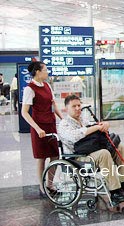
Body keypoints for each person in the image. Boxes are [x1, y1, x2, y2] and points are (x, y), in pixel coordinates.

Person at [57, 94, 124, 204]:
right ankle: (115, 192)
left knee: (120, 147)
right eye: (74, 106)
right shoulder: (63, 124)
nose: (77, 108)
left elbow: (96, 126)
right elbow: (74, 136)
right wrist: (95, 127)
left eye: (79, 105)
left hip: (91, 151)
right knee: (104, 153)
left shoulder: (83, 120)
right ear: (66, 109)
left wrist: (104, 125)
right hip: (77, 158)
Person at [21, 61, 64, 197]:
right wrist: (37, 128)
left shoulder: (47, 86)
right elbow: (24, 112)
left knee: (55, 155)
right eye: (45, 70)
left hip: (50, 124)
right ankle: (42, 187)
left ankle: (50, 184)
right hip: (39, 127)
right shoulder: (30, 89)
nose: (47, 72)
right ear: (38, 72)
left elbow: (53, 104)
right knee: (41, 158)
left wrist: (62, 119)